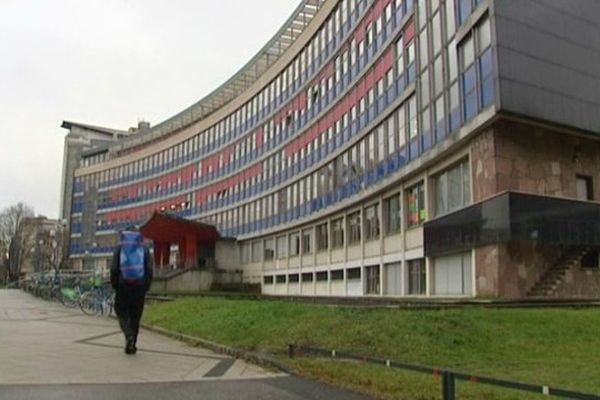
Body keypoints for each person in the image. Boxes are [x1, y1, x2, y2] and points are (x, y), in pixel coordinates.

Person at [110, 227, 153, 355]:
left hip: (123, 285)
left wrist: (115, 285)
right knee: (136, 316)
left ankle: (128, 335)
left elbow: (113, 269)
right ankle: (132, 343)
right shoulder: (144, 249)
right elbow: (149, 269)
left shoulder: (120, 248)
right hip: (139, 286)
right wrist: (146, 286)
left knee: (121, 311)